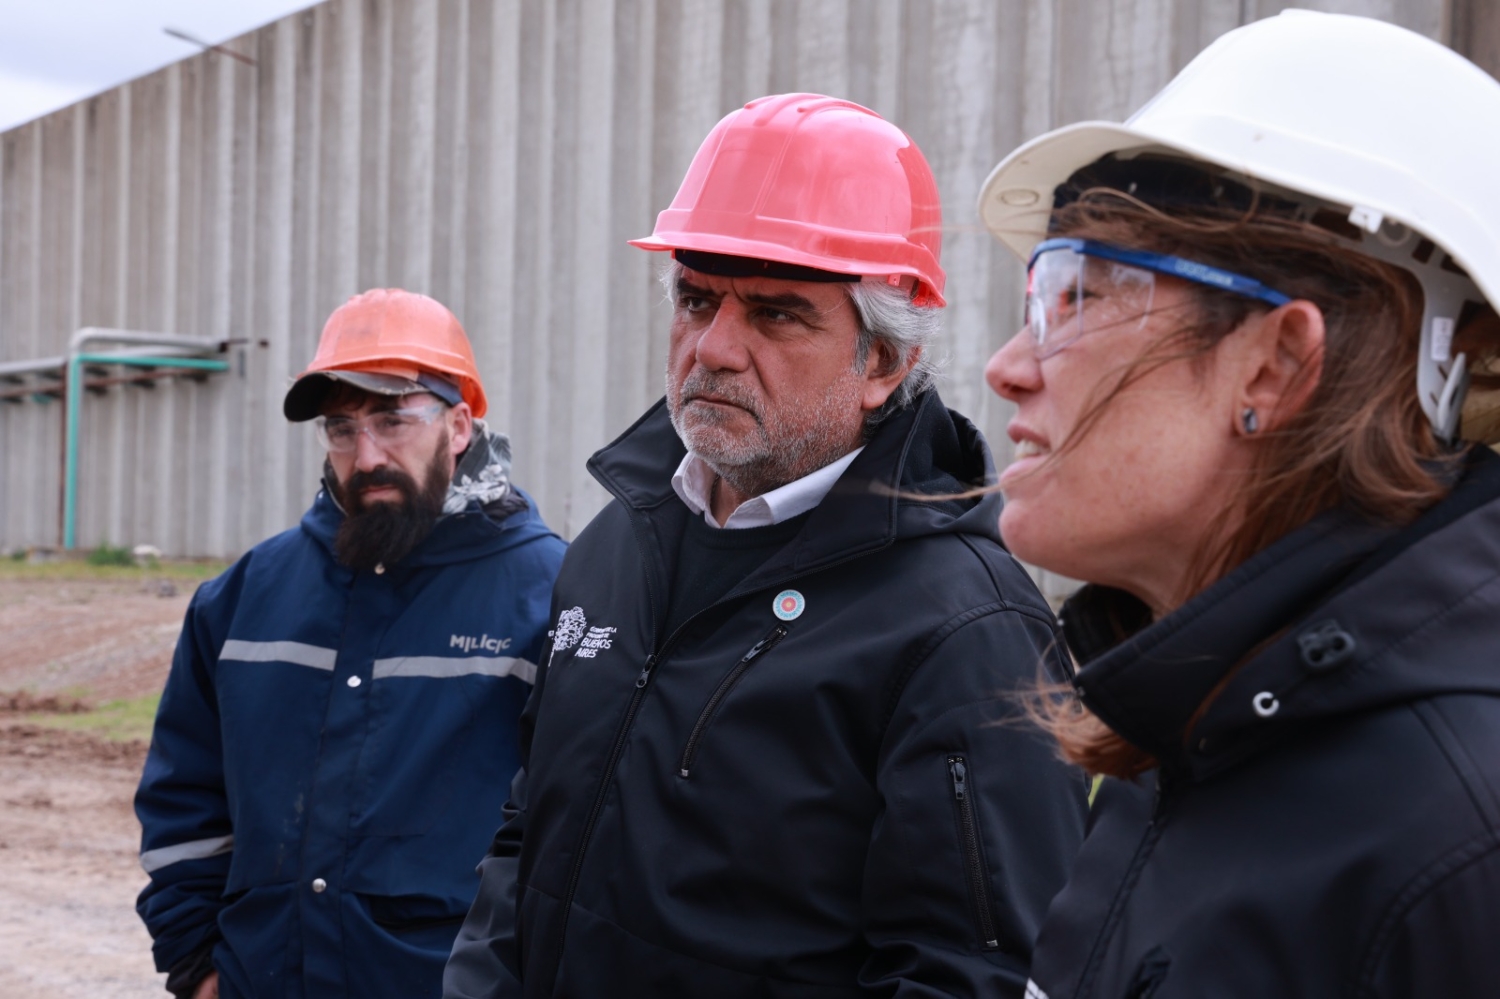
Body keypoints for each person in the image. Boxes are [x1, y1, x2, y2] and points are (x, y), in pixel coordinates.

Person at [444, 93, 1088, 998]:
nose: (713, 347)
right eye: (695, 299)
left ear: (884, 363)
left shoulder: (968, 632)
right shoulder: (615, 544)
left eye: (776, 314)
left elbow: (967, 976)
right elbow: (528, 834)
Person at [977, 11, 1500, 998]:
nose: (1008, 367)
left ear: (1276, 364)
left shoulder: (1459, 840)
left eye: (1079, 296)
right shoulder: (1183, 736)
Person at [135, 289, 566, 999]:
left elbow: (580, 836)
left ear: (459, 426)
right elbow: (185, 799)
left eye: (393, 420)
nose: (366, 456)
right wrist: (197, 965)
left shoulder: (551, 597)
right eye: (342, 428)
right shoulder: (243, 599)